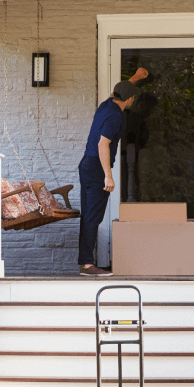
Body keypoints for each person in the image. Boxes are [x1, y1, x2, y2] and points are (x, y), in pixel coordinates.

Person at [78, 69, 148, 276]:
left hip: (86, 165)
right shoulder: (116, 117)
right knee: (93, 215)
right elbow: (103, 145)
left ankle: (85, 262)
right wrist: (108, 175)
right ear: (130, 99)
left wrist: (134, 78)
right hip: (97, 168)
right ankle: (87, 265)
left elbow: (115, 93)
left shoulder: (105, 105)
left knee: (88, 213)